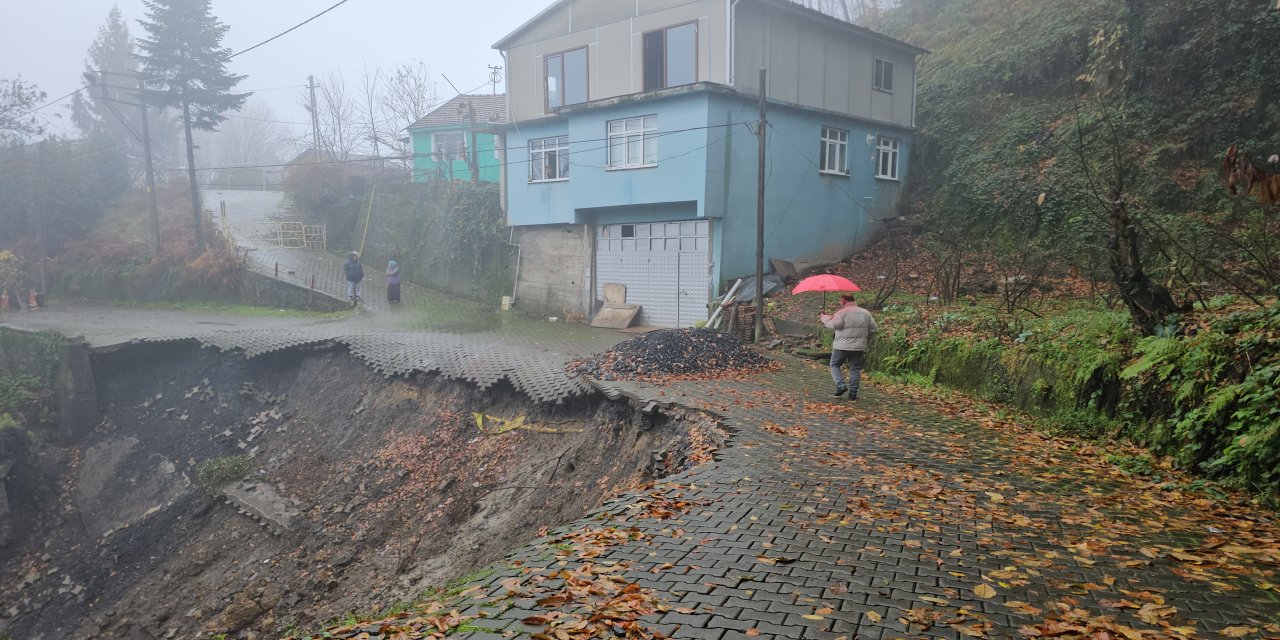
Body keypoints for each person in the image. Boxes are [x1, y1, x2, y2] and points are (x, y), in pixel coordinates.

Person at [820, 294, 878, 400]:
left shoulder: (842, 312)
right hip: (859, 347)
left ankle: (841, 385)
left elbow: (834, 325)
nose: (840, 302)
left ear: (844, 301)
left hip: (842, 346)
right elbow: (874, 328)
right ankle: (853, 394)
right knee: (855, 369)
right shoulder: (865, 312)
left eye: (841, 300)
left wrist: (824, 318)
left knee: (834, 364)